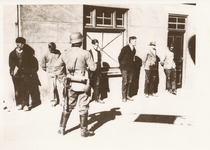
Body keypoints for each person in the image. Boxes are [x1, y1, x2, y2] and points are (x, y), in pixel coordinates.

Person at [54, 32, 96, 137]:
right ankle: (84, 131)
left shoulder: (64, 53)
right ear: (81, 41)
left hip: (69, 84)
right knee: (83, 106)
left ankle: (62, 129)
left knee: (67, 106)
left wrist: (63, 79)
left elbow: (57, 68)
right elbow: (93, 68)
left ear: (71, 42)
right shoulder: (86, 53)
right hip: (83, 83)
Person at [9, 37, 41, 111]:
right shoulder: (12, 54)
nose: (22, 45)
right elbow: (11, 64)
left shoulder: (27, 53)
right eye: (21, 43)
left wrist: (30, 71)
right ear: (17, 43)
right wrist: (13, 72)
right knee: (17, 89)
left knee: (25, 89)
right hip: (16, 75)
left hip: (25, 74)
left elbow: (34, 63)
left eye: (23, 43)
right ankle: (19, 104)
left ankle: (26, 104)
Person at [40, 42, 62, 107]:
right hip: (50, 73)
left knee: (59, 87)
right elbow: (42, 64)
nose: (53, 50)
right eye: (51, 49)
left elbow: (61, 60)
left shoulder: (58, 52)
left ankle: (61, 101)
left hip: (58, 72)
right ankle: (53, 101)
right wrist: (47, 70)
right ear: (49, 48)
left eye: (54, 49)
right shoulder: (45, 54)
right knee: (52, 88)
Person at [118, 36, 137, 102]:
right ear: (131, 41)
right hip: (124, 68)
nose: (135, 42)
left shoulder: (134, 49)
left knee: (129, 82)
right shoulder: (125, 48)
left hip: (131, 68)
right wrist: (122, 66)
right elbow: (119, 57)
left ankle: (127, 95)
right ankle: (123, 97)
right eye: (134, 41)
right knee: (125, 82)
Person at [89, 39, 104, 104]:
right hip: (91, 70)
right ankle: (89, 98)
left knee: (97, 84)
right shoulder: (88, 52)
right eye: (95, 45)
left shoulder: (98, 52)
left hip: (97, 70)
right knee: (89, 84)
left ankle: (97, 98)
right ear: (92, 45)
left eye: (97, 45)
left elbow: (100, 61)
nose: (97, 46)